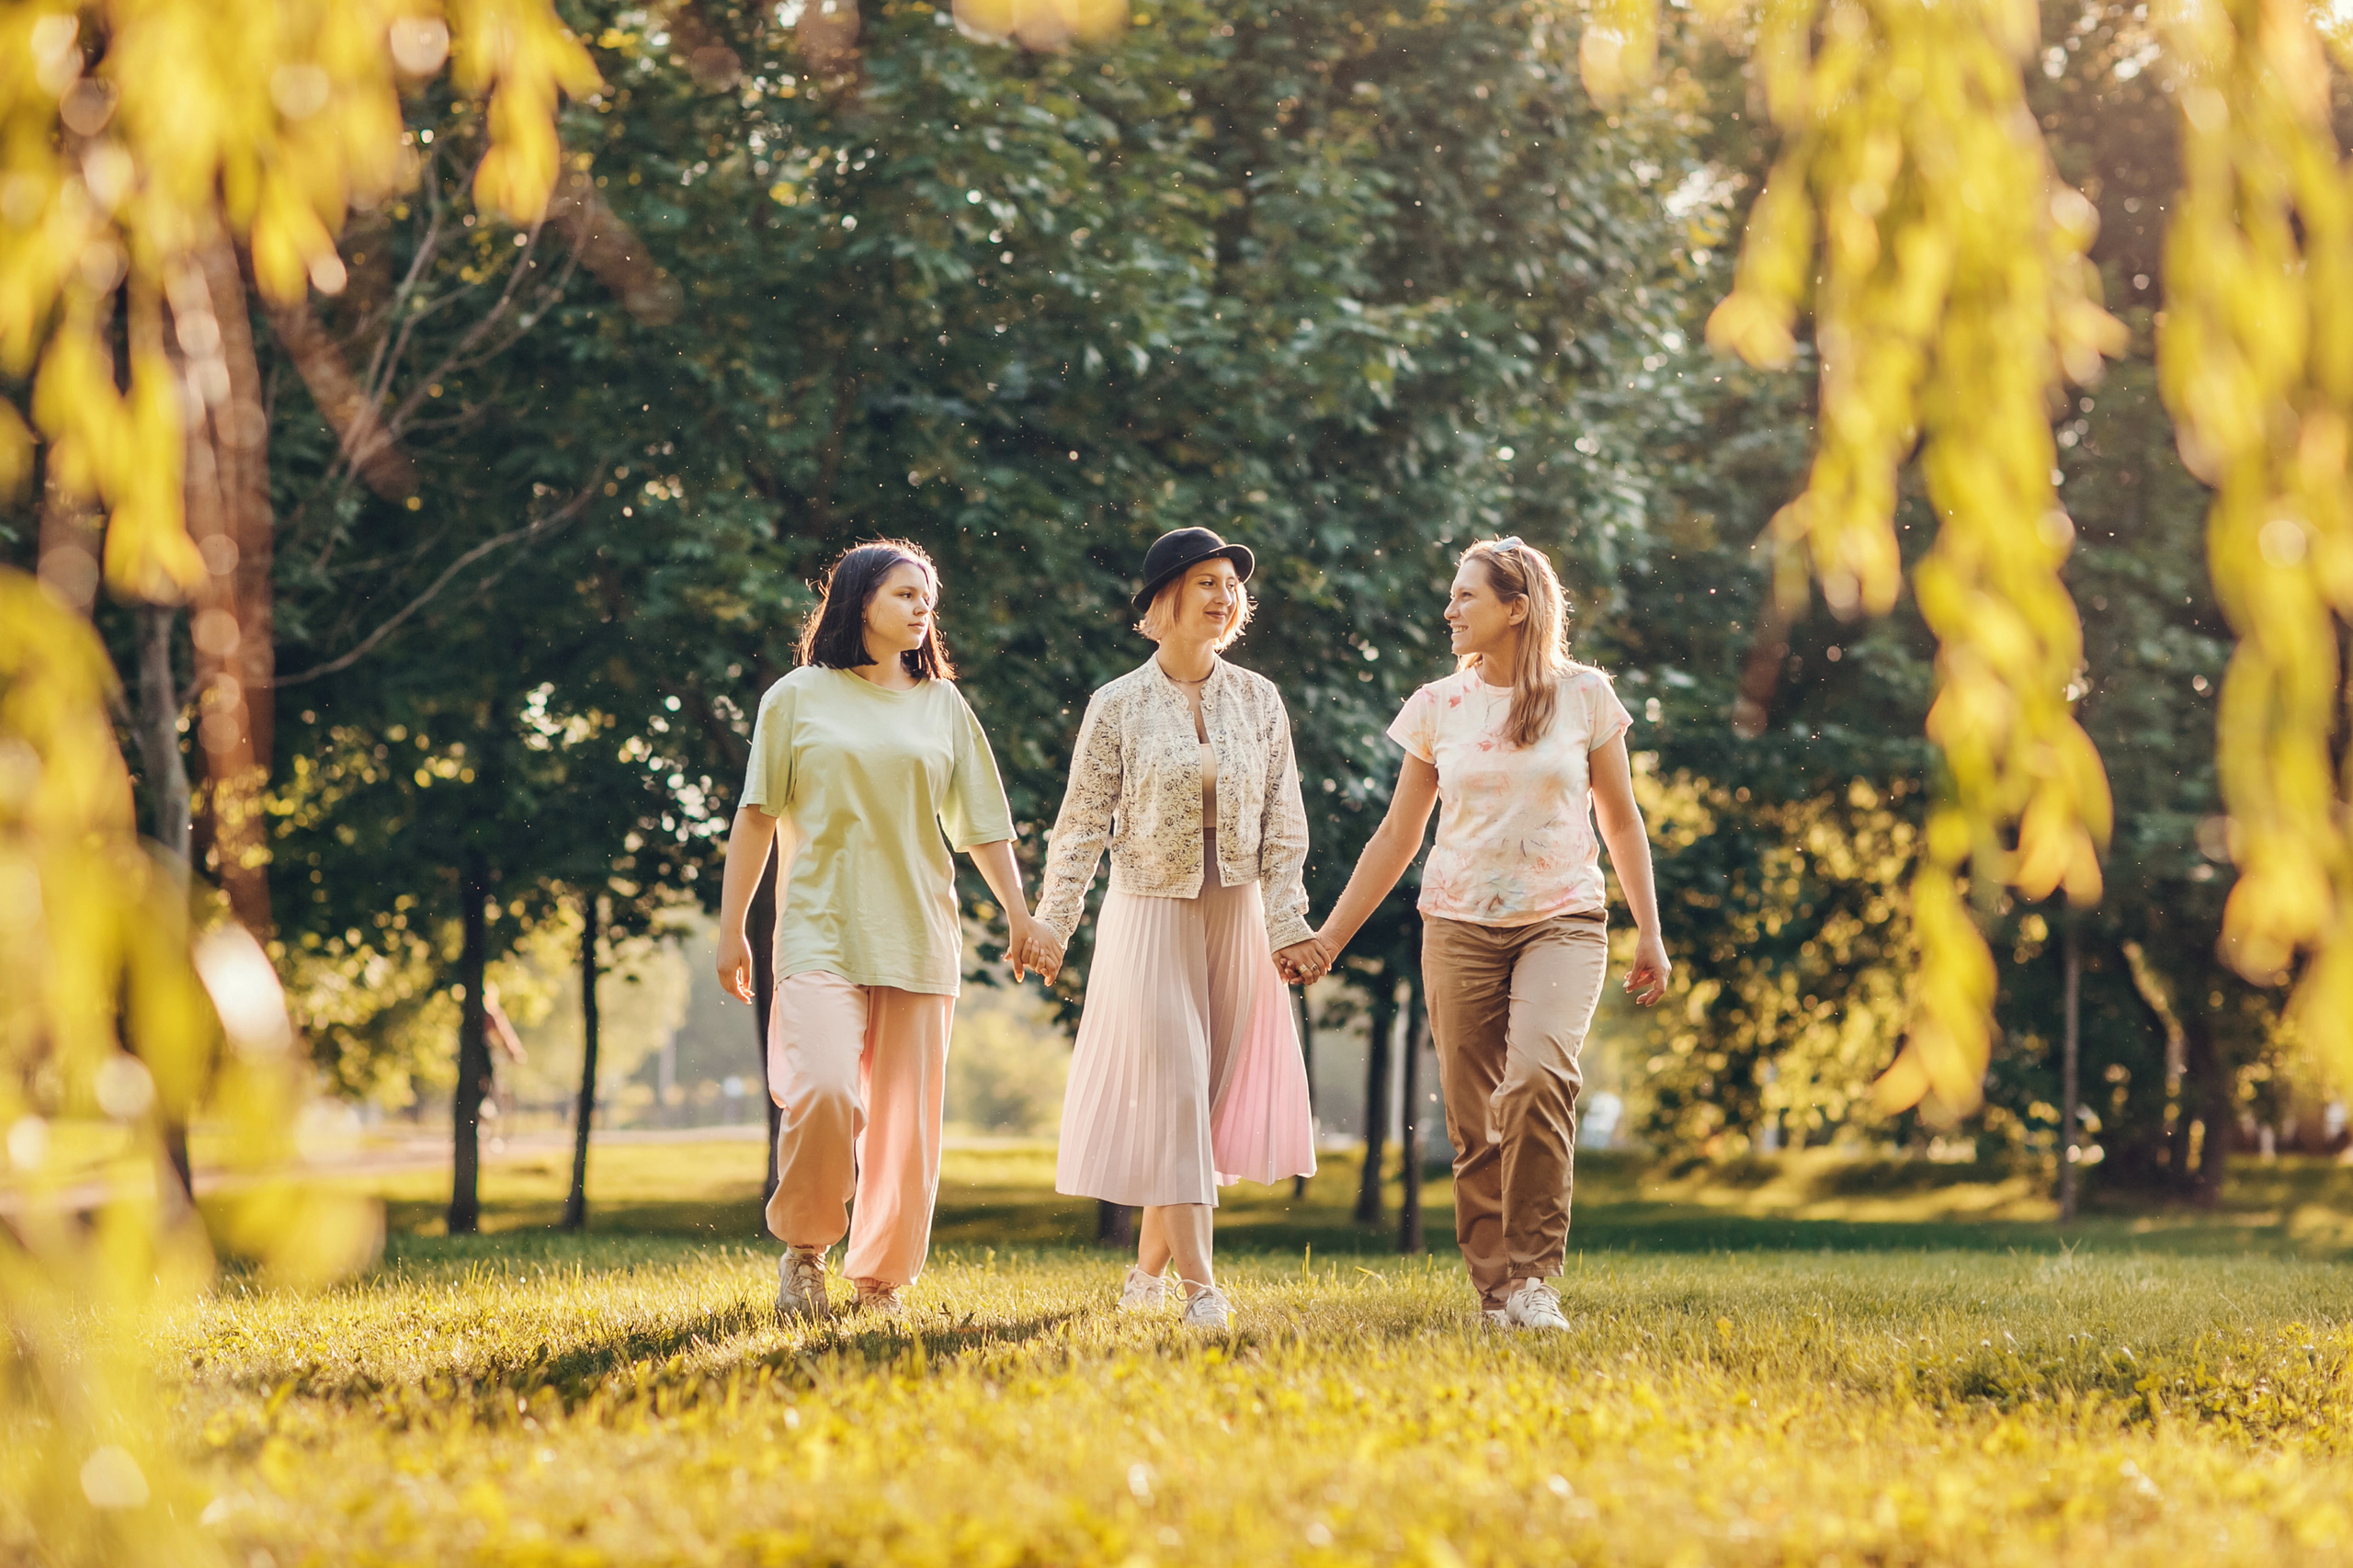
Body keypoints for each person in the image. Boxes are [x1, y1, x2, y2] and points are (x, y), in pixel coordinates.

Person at [1302, 537, 1669, 1331]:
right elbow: (1398, 835)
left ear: (1517, 608)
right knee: (1475, 1123)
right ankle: (1495, 1294)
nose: (1449, 610)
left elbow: (1621, 818)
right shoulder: (1438, 705)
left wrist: (1651, 929)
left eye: (1466, 596)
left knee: (1537, 1079)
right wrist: (1330, 937)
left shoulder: (1586, 696)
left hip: (1562, 920)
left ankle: (1536, 1280)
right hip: (1458, 925)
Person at [715, 540, 1046, 1323]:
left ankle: (882, 1281)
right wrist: (733, 930)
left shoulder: (943, 705)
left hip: (919, 936)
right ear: (859, 600)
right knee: (823, 1090)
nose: (922, 606)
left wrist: (1019, 911)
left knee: (905, 1128)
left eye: (928, 595)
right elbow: (756, 816)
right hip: (818, 930)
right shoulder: (796, 697)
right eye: (904, 593)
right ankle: (804, 1253)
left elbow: (984, 825)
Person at [1025, 528, 1324, 1330]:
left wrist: (1288, 922)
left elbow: (1284, 824)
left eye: (1231, 583)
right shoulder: (1117, 704)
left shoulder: (1259, 699)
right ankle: (1203, 1292)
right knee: (1179, 1091)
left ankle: (1144, 1276)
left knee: (1201, 1104)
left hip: (1238, 914)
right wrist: (1053, 922)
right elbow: (1080, 824)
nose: (1224, 596)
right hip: (1149, 913)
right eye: (1205, 582)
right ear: (1165, 600)